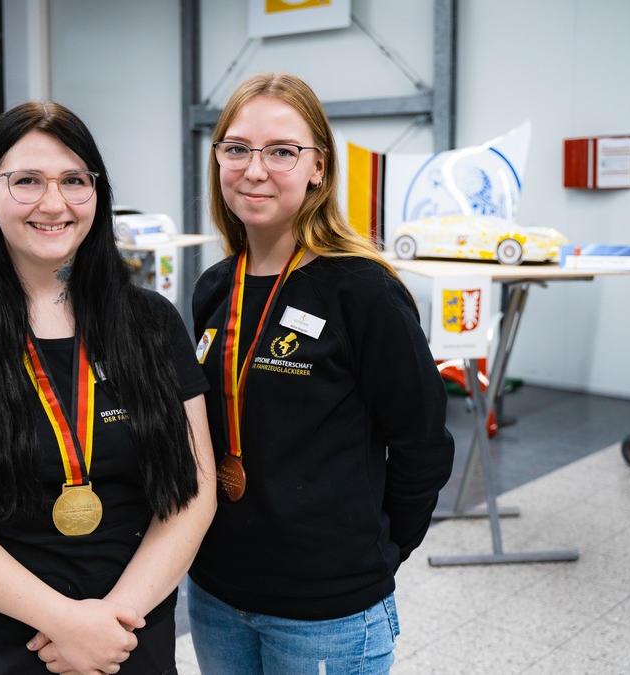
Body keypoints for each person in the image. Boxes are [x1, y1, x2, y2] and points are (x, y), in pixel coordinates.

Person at [0, 101, 217, 675]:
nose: (53, 202)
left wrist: (111, 621)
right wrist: (64, 622)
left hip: (129, 634)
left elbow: (194, 491)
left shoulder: (152, 322)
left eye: (73, 181)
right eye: (27, 181)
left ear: (98, 193)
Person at [188, 72, 455, 675]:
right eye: (237, 148)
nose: (255, 169)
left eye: (282, 150)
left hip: (326, 616)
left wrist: (376, 557)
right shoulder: (214, 287)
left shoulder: (362, 291)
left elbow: (423, 444)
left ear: (319, 168)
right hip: (216, 596)